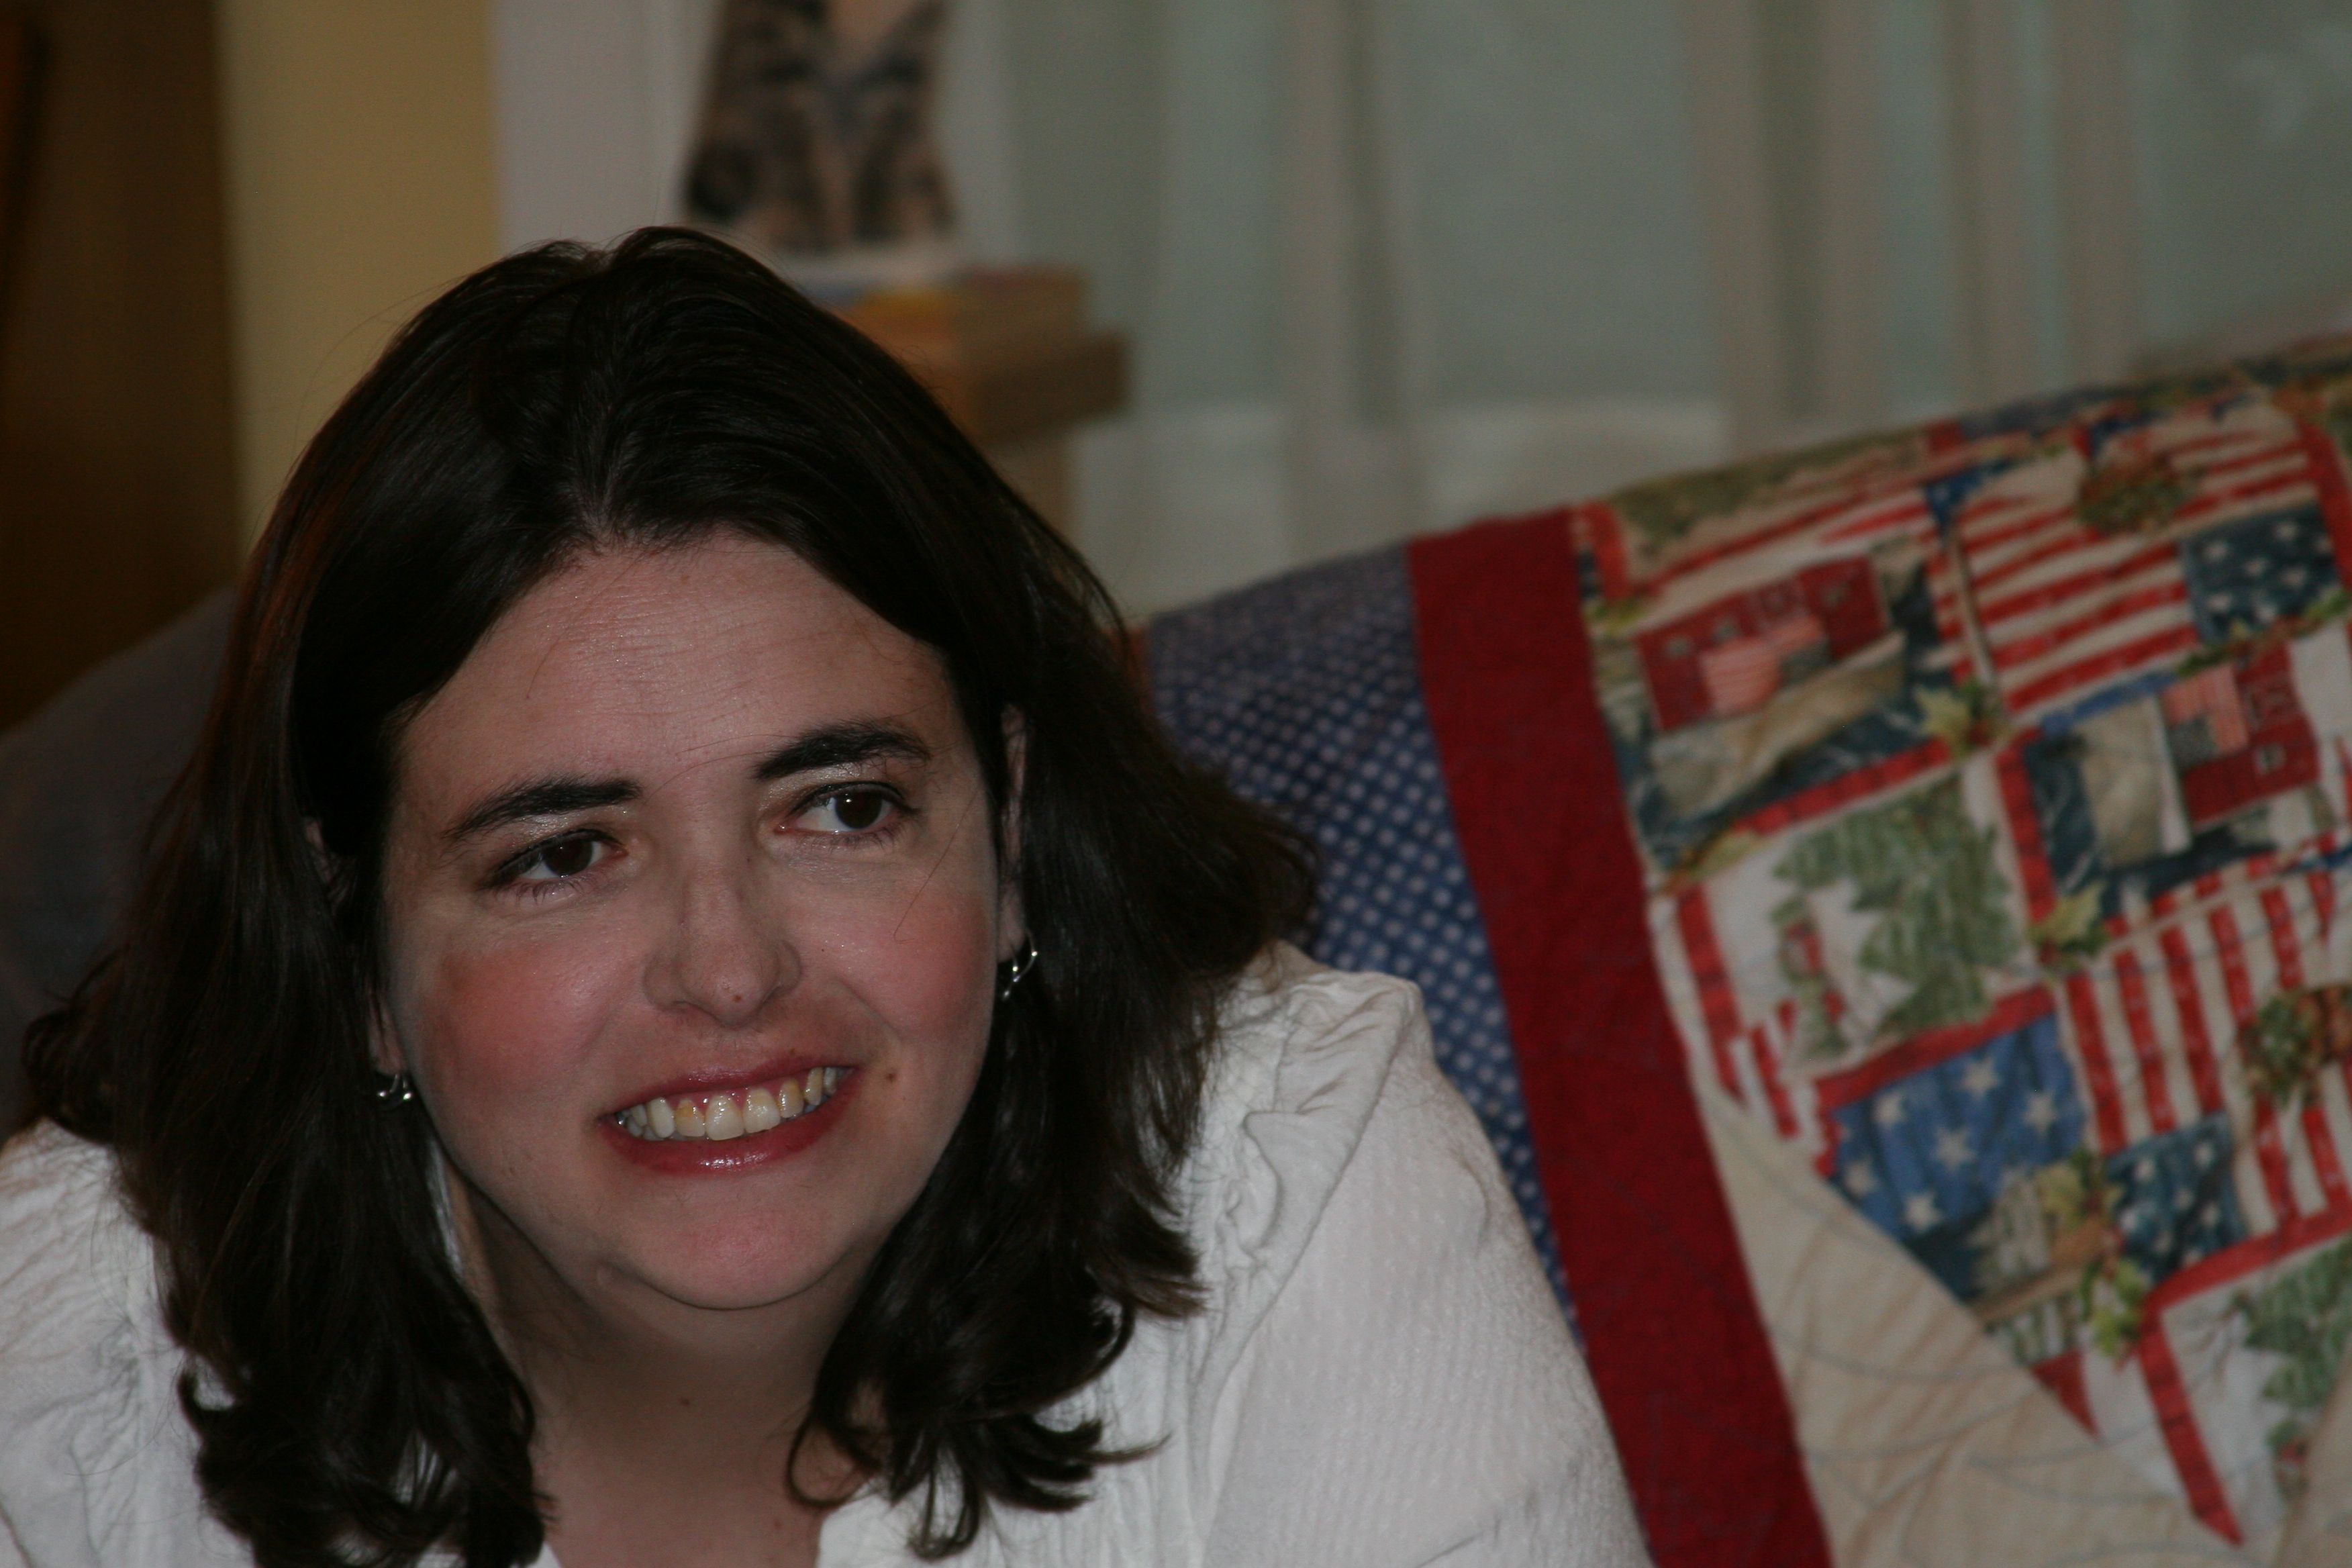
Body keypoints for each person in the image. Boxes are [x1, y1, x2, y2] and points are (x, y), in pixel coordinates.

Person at [0, 230, 1645, 1568]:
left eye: (842, 807)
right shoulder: (60, 1376)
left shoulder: (1298, 1186)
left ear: (1009, 832)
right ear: (355, 949)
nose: (730, 970)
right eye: (562, 853)